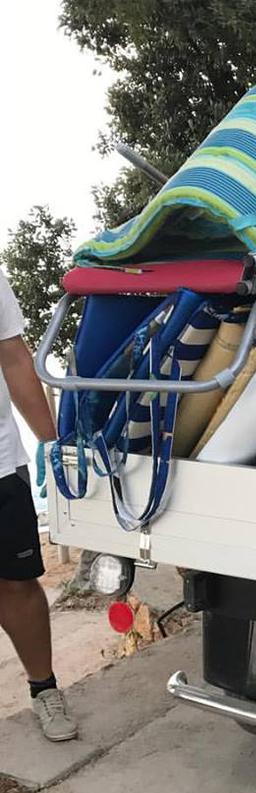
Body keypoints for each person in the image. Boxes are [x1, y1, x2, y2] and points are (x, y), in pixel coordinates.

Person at [0, 270, 77, 740]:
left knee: (17, 585)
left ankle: (43, 689)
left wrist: (53, 443)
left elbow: (13, 359)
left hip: (0, 465)